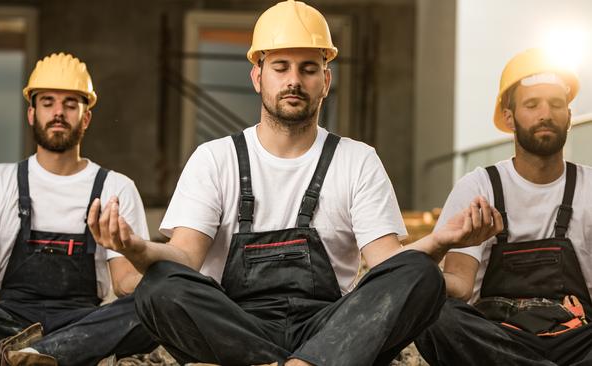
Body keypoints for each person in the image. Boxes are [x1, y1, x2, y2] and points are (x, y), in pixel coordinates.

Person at [90, 1, 500, 365]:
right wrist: (135, 248)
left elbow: (388, 265)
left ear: (326, 79)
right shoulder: (216, 158)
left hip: (328, 326)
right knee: (158, 286)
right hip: (236, 326)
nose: (294, 81)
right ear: (258, 76)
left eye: (308, 69)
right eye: (281, 67)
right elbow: (184, 258)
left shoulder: (357, 159)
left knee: (421, 275)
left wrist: (442, 241)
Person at [0, 52, 157, 365]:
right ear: (31, 113)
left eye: (70, 104)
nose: (58, 112)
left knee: (157, 307)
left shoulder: (116, 187)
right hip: (4, 319)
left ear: (86, 117)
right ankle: (54, 353)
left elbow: (124, 283)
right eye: (47, 102)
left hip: (84, 323)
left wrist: (166, 283)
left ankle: (12, 356)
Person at [415, 48, 592, 366]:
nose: (545, 114)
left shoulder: (589, 188)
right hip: (497, 340)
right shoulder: (479, 188)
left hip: (576, 341)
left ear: (568, 114)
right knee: (434, 315)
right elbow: (459, 286)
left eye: (556, 104)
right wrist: (416, 278)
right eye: (531, 104)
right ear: (509, 117)